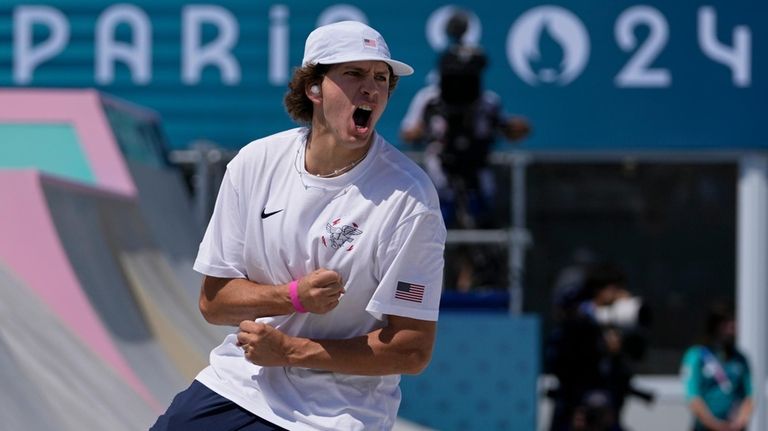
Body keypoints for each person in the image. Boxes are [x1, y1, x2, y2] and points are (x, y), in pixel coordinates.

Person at [150, 20, 447, 431]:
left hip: (338, 412)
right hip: (242, 383)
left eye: (381, 78)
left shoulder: (410, 199)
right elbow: (214, 303)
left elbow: (411, 349)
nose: (372, 89)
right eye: (354, 74)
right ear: (314, 88)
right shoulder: (254, 164)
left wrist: (291, 350)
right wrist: (292, 297)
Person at [681, 302, 753, 431]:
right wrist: (716, 425)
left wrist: (740, 422)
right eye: (726, 323)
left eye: (733, 322)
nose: (732, 328)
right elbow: (693, 397)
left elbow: (749, 396)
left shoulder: (740, 359)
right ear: (715, 325)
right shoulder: (697, 355)